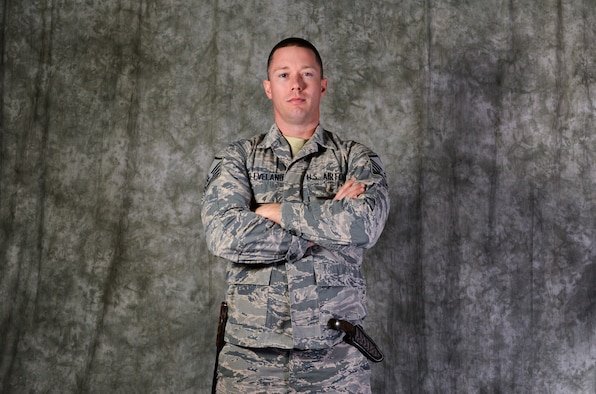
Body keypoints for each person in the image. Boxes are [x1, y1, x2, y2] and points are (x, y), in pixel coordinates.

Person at [201, 37, 390, 393]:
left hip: (336, 362)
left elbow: (364, 225)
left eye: (307, 74)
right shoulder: (236, 159)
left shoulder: (356, 159)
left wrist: (272, 212)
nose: (297, 84)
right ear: (269, 88)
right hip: (250, 363)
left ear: (323, 86)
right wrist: (329, 222)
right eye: (284, 74)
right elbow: (224, 233)